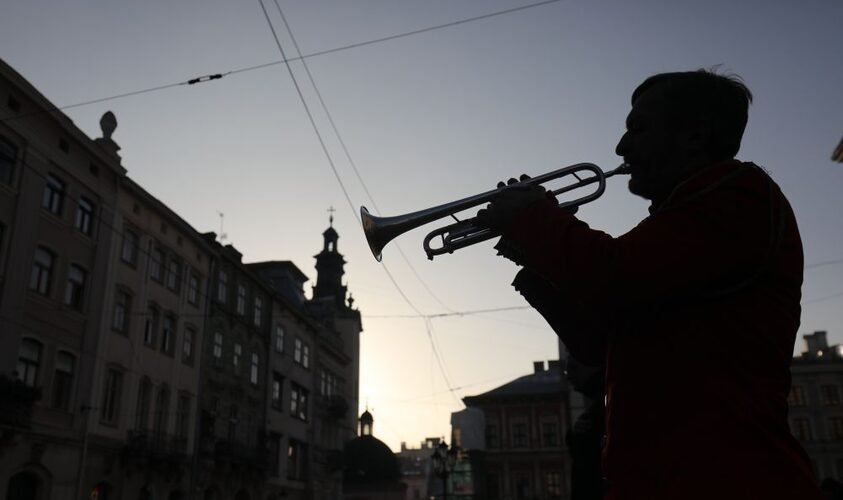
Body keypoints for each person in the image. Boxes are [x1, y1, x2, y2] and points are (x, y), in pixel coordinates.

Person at [480, 70, 824, 499]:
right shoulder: (680, 218)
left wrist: (535, 219)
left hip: (725, 477)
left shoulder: (738, 194)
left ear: (693, 137)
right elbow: (596, 343)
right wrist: (529, 250)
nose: (622, 147)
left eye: (638, 129)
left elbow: (613, 274)